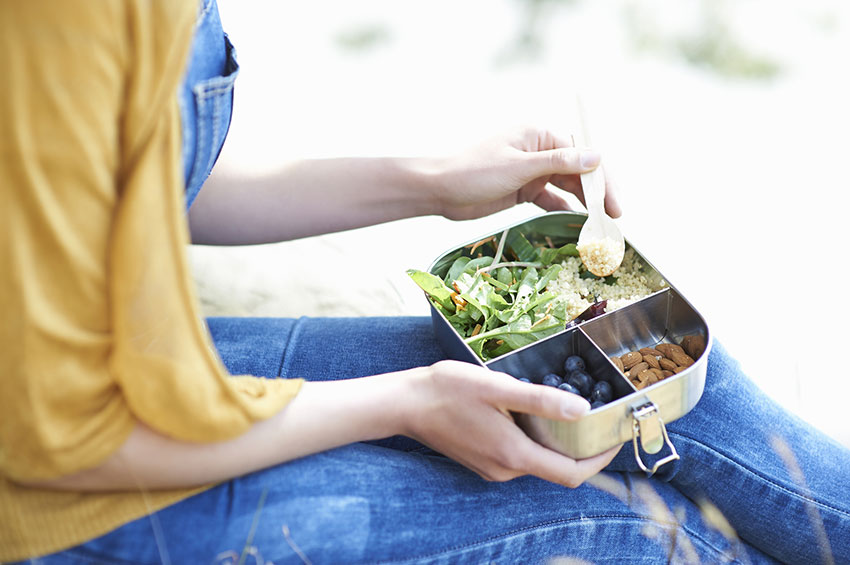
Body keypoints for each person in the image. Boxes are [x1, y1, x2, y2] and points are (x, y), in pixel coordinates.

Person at [1, 2, 847, 564]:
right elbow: (61, 435)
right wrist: (402, 402)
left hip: (117, 368)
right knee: (637, 535)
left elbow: (145, 183)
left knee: (672, 384)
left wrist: (432, 181)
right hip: (62, 498)